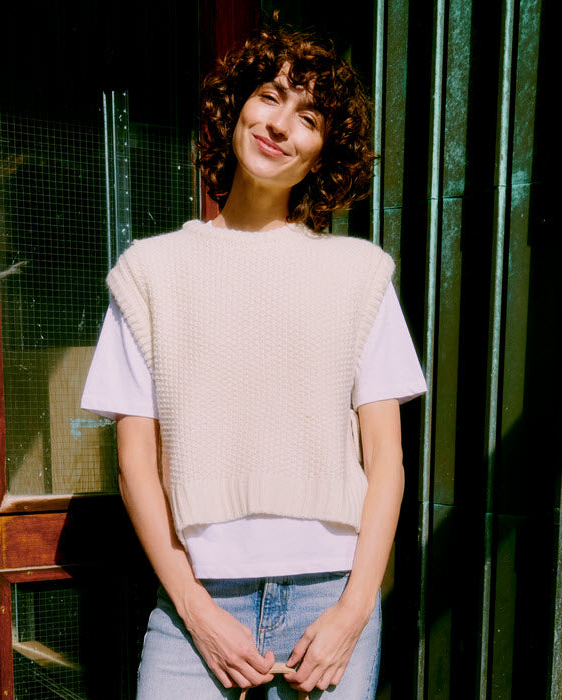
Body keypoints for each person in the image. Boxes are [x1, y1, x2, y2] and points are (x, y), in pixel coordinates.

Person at [81, 27, 426, 699]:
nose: (279, 125)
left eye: (309, 118)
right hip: (196, 605)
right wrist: (197, 611)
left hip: (330, 605)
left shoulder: (360, 275)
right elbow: (134, 464)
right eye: (270, 96)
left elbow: (386, 458)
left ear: (324, 153)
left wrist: (355, 610)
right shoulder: (150, 273)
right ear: (236, 107)